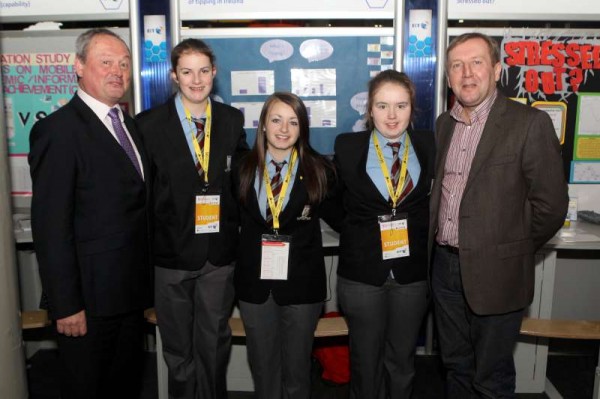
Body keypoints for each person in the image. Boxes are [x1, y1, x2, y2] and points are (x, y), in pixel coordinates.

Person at [429, 32, 569, 398]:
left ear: (496, 69)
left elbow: (551, 206)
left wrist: (510, 246)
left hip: (498, 272)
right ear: (448, 78)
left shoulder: (528, 124)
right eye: (457, 66)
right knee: (456, 366)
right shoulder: (444, 125)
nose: (467, 73)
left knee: (491, 377)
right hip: (444, 269)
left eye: (476, 63)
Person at [28, 28, 151, 399]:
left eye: (125, 64)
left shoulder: (128, 125)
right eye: (106, 62)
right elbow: (51, 227)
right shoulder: (58, 131)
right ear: (79, 66)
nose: (118, 71)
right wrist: (66, 306)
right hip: (87, 305)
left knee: (125, 386)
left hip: (128, 298)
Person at [136, 38, 248, 399]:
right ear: (174, 76)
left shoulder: (231, 120)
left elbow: (244, 177)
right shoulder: (148, 125)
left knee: (214, 341)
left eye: (203, 70)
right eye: (187, 72)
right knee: (178, 348)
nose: (196, 80)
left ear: (214, 73)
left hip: (218, 254)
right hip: (170, 255)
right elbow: (143, 193)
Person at [331, 70, 434, 399]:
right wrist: (358, 232)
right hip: (362, 274)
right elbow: (331, 203)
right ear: (369, 110)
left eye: (401, 106)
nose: (392, 115)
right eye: (382, 105)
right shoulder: (348, 147)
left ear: (412, 109)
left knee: (402, 361)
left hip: (411, 274)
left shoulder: (428, 144)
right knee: (364, 361)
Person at [234, 92, 336, 399]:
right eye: (276, 119)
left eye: (293, 122)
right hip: (255, 286)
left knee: (296, 374)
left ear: (302, 128)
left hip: (303, 287)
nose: (283, 128)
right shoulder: (241, 168)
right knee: (264, 372)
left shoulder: (321, 170)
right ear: (263, 124)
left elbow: (348, 219)